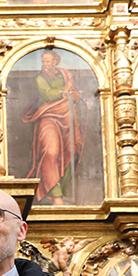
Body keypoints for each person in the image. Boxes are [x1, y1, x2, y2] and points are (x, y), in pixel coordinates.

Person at [22, 50, 84, 205]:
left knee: (72, 150)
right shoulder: (40, 78)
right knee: (50, 151)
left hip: (67, 116)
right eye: (43, 61)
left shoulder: (65, 74)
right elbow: (48, 94)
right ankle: (55, 195)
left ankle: (60, 190)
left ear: (55, 62)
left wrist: (75, 95)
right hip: (47, 116)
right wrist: (65, 92)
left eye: (48, 61)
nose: (45, 65)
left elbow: (72, 92)